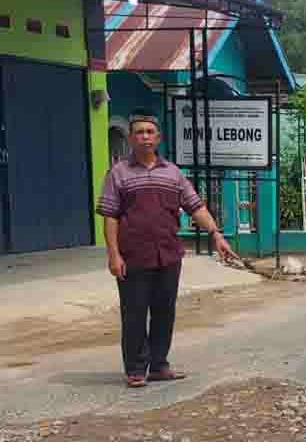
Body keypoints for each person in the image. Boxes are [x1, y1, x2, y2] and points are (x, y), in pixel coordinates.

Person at [97, 114, 236, 388]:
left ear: (158, 138)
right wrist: (114, 254)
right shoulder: (118, 173)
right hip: (134, 256)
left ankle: (159, 365)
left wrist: (216, 234)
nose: (145, 136)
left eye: (150, 132)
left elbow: (196, 207)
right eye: (139, 132)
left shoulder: (173, 173)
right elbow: (110, 216)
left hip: (168, 254)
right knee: (134, 312)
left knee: (164, 311)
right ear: (130, 138)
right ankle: (136, 369)